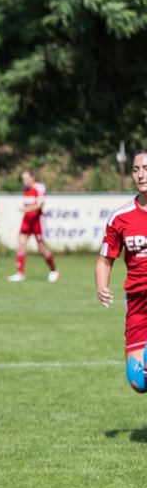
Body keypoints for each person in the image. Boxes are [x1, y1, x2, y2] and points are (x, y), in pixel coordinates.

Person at [94, 149, 147, 392]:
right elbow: (105, 259)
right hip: (136, 302)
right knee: (138, 380)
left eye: (146, 168)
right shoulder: (120, 217)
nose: (141, 175)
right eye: (136, 170)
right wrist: (101, 286)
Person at [9, 169, 58, 282]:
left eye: (26, 178)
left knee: (42, 248)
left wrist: (26, 209)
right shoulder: (25, 189)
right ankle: (20, 273)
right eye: (23, 179)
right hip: (26, 220)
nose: (24, 181)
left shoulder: (39, 188)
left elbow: (40, 205)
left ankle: (54, 270)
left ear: (32, 178)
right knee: (21, 244)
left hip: (37, 221)